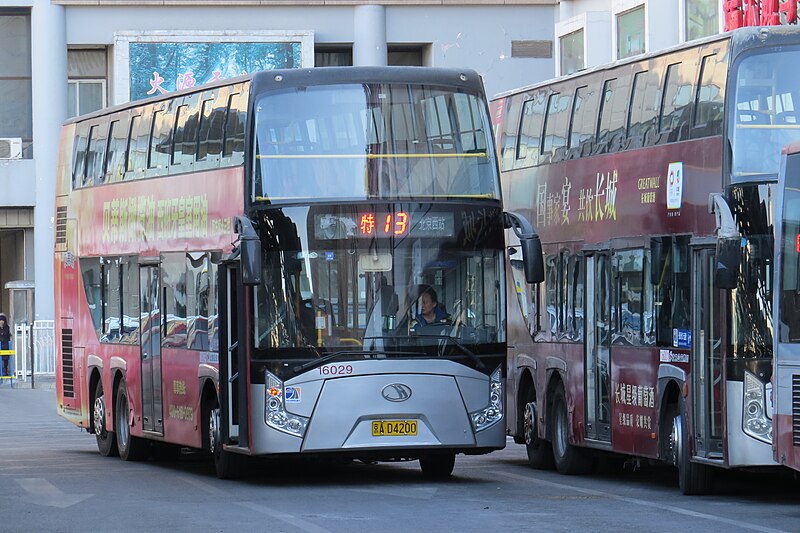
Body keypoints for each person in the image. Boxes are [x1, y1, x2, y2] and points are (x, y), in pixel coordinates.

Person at [0, 313, 11, 378]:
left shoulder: (7, 327)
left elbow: (7, 335)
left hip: (5, 345)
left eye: (2, 320)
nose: (1, 321)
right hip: (0, 344)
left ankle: (5, 371)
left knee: (5, 359)